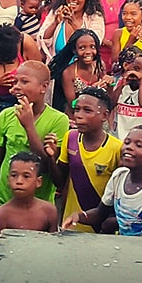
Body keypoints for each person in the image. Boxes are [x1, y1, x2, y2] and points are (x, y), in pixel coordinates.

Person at [62, 126, 142, 238]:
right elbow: (100, 213)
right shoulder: (119, 176)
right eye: (127, 142)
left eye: (139, 145)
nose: (129, 147)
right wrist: (79, 216)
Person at [44, 87, 121, 233]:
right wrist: (50, 157)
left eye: (87, 110)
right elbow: (60, 182)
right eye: (77, 110)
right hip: (71, 223)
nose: (79, 116)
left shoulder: (116, 148)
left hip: (100, 229)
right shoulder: (70, 138)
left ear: (105, 115)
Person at [0, 60, 68, 207]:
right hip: (3, 200)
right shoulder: (6, 115)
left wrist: (29, 127)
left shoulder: (59, 120)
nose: (17, 87)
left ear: (44, 87)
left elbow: (46, 167)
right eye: (15, 82)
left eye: (24, 82)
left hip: (38, 206)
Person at [0, 151, 58, 232]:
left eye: (26, 176)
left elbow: (53, 239)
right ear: (8, 180)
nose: (19, 181)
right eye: (14, 175)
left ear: (38, 182)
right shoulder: (2, 214)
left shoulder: (49, 211)